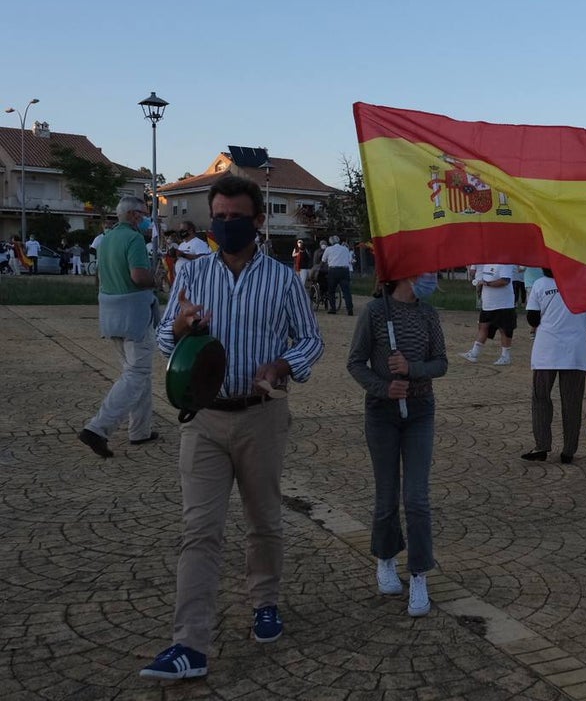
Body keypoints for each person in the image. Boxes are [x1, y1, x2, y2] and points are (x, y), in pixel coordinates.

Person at [142, 175, 324, 681]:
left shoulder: (283, 279)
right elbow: (163, 341)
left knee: (263, 519)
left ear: (258, 220)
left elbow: (310, 339)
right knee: (199, 529)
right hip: (203, 418)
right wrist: (178, 329)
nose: (226, 224)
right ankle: (189, 645)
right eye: (218, 217)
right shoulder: (192, 276)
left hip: (261, 416)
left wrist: (281, 366)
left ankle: (265, 601)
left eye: (235, 216)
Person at [346, 273, 446, 618]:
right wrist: (382, 388)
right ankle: (386, 557)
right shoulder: (375, 312)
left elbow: (441, 363)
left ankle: (419, 574)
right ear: (403, 273)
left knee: (416, 498)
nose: (430, 278)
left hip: (420, 411)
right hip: (382, 413)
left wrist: (412, 368)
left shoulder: (428, 314)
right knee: (386, 495)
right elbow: (355, 362)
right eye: (423, 271)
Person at [78, 197, 159, 459]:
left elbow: (100, 277)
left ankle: (140, 430)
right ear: (135, 216)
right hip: (134, 315)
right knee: (137, 374)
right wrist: (156, 280)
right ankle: (98, 428)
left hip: (110, 312)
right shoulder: (134, 239)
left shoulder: (107, 239)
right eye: (145, 214)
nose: (148, 220)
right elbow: (138, 276)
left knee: (138, 374)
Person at [521, 270, 586, 464]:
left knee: (541, 398)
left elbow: (532, 319)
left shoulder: (540, 285)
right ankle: (569, 450)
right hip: (575, 352)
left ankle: (542, 445)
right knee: (572, 402)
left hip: (547, 350)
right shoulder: (585, 284)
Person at [459, 264, 517, 365]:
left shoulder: (504, 264)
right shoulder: (487, 264)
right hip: (488, 304)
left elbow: (505, 281)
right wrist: (480, 287)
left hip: (503, 304)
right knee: (483, 326)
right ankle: (474, 354)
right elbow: (481, 279)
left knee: (504, 330)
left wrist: (487, 283)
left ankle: (505, 356)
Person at [322, 235, 354, 316]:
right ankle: (349, 309)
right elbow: (350, 260)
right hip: (344, 270)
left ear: (330, 242)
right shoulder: (345, 249)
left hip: (333, 270)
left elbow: (323, 260)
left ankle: (333, 308)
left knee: (331, 290)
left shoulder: (328, 249)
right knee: (346, 291)